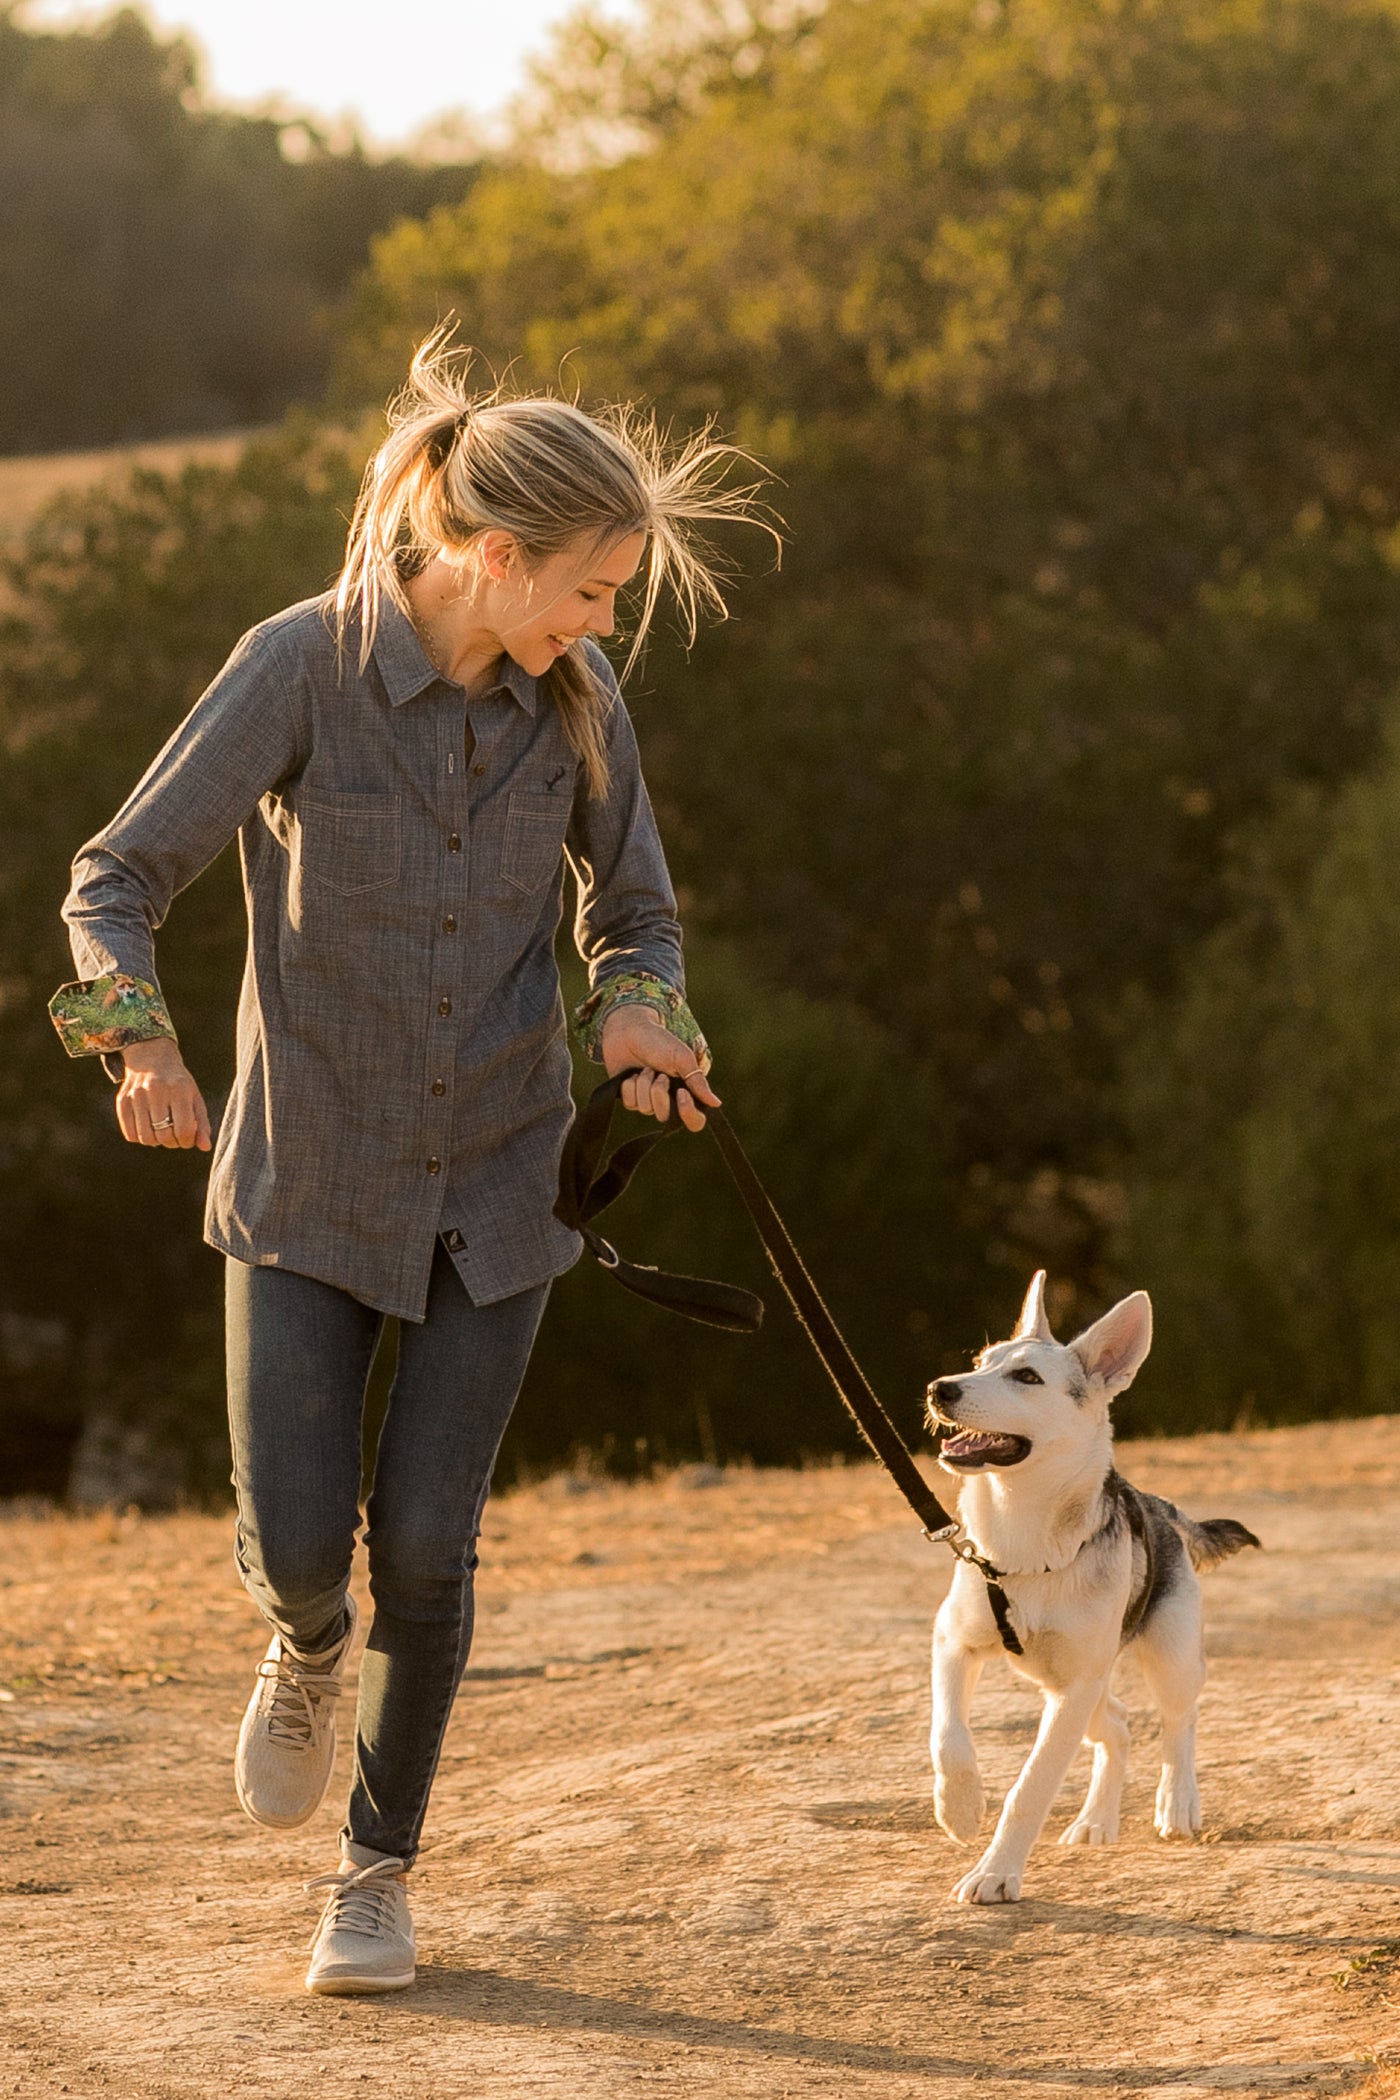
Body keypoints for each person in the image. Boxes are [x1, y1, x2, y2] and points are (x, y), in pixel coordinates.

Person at [48, 331, 771, 1996]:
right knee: (312, 1547)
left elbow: (634, 911)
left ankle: (374, 1879)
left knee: (429, 1546)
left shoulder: (581, 707)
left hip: (503, 1191)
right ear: (499, 557)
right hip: (305, 1186)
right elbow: (114, 875)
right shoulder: (298, 668)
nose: (603, 626)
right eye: (590, 590)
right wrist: (137, 1045)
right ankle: (306, 1644)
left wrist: (640, 1018)